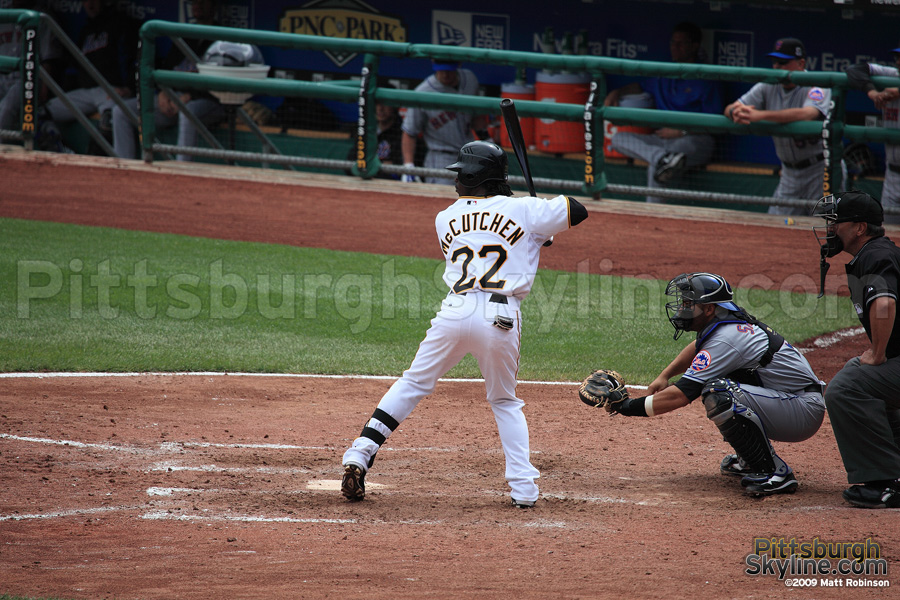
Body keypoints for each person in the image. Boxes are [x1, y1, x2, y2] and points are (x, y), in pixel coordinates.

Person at [341, 140, 589, 508]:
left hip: (453, 312)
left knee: (413, 382)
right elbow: (578, 210)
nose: (455, 181)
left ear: (476, 177)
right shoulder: (526, 209)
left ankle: (360, 453)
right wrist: (541, 223)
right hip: (500, 316)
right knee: (504, 401)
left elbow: (488, 235)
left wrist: (537, 229)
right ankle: (524, 489)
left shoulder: (445, 217)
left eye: (461, 174)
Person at [608, 272, 825, 496]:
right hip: (788, 400)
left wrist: (627, 407)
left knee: (719, 392)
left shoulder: (726, 338)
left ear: (709, 308)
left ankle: (775, 472)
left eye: (688, 304)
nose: (681, 309)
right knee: (720, 385)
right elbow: (698, 347)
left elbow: (680, 395)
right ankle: (751, 459)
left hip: (802, 411)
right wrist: (666, 374)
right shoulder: (725, 324)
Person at [814, 191, 900, 508]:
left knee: (845, 390)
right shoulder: (877, 251)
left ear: (859, 227)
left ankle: (884, 484)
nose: (830, 229)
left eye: (836, 223)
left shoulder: (876, 256)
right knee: (865, 377)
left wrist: (878, 354)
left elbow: (884, 303)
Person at [603, 22, 721, 203]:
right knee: (620, 139)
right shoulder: (665, 72)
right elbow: (640, 86)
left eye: (681, 43)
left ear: (695, 46)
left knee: (656, 167)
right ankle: (661, 158)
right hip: (663, 141)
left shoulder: (706, 77)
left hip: (694, 140)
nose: (675, 47)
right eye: (673, 42)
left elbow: (714, 125)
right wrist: (616, 92)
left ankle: (653, 214)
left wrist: (682, 131)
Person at [724, 38, 831, 216]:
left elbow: (808, 114)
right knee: (776, 226)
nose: (777, 67)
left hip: (820, 170)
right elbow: (730, 107)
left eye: (783, 62)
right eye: (775, 62)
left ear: (801, 63)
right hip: (789, 172)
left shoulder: (817, 85)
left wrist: (761, 115)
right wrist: (736, 111)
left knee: (825, 229)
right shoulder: (767, 85)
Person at [111, 0, 225, 160]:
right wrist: (164, 92)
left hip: (207, 101)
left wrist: (189, 96)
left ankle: (181, 171)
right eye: (194, 1)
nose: (198, 5)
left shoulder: (222, 39)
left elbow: (220, 83)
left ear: (213, 5)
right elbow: (167, 69)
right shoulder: (185, 34)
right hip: (175, 99)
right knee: (120, 111)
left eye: (203, 1)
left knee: (188, 112)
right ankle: (125, 167)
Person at [43, 0, 139, 142]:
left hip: (110, 92)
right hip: (85, 94)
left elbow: (135, 61)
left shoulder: (123, 25)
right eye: (86, 1)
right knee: (40, 114)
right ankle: (63, 152)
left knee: (109, 120)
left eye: (94, 0)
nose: (90, 4)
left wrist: (129, 89)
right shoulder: (86, 31)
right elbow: (74, 67)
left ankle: (93, 161)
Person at [400, 60, 488, 185]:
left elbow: (477, 117)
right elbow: (409, 132)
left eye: (449, 70)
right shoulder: (422, 92)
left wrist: (487, 140)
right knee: (443, 201)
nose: (445, 74)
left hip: (470, 155)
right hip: (441, 158)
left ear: (458, 65)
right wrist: (408, 166)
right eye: (441, 70)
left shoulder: (470, 79)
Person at [846, 47, 900, 224]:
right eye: (897, 57)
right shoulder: (891, 75)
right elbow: (854, 70)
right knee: (888, 238)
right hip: (893, 176)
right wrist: (873, 92)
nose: (898, 61)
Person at [0, 1, 65, 135]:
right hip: (3, 76)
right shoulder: (3, 12)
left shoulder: (42, 16)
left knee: (6, 107)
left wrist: (44, 89)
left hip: (26, 79)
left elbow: (48, 59)